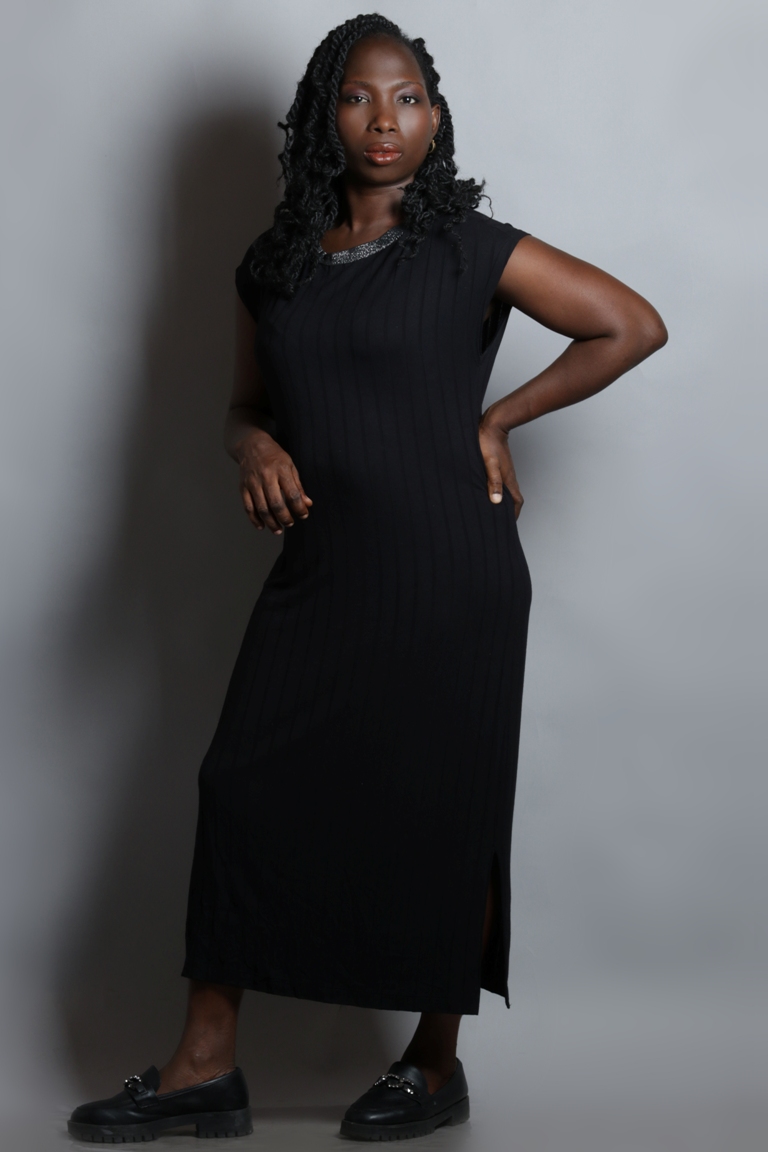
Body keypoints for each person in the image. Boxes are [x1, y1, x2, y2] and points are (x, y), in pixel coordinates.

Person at [67, 12, 667, 1145]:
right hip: (324, 571)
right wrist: (252, 445)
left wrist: (500, 417)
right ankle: (204, 1067)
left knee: (445, 809)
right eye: (358, 97)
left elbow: (630, 325)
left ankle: (433, 1064)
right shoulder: (274, 263)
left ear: (435, 118)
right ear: (322, 116)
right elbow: (243, 405)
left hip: (451, 572)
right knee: (241, 784)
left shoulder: (472, 248)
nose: (384, 119)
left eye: (407, 98)